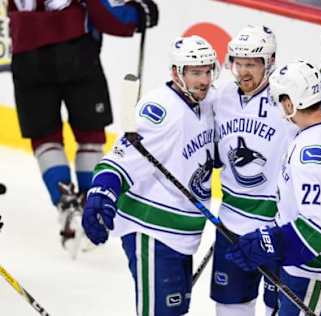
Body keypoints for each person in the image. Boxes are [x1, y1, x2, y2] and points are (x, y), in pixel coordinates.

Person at [211, 25, 321, 316]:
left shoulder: (313, 151)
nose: (244, 71)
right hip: (293, 241)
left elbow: (315, 231)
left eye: (253, 64)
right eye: (239, 63)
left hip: (313, 258)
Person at [81, 35, 220, 316]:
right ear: (176, 73)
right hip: (153, 232)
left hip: (182, 233)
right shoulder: (160, 110)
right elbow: (120, 159)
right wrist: (100, 194)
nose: (204, 80)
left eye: (208, 71)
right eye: (195, 72)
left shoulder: (207, 101)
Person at [7, 0, 159, 255]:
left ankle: (65, 202)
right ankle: (91, 206)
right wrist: (139, 14)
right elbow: (108, 16)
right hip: (75, 53)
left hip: (27, 57)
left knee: (45, 138)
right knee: (90, 136)